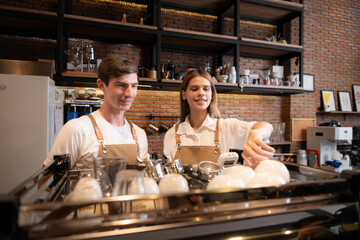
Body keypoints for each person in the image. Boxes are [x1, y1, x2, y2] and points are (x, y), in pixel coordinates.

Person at [43, 57, 148, 169]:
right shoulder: (76, 130)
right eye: (121, 85)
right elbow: (47, 182)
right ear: (101, 85)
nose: (130, 94)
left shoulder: (139, 135)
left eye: (134, 86)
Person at [163, 68, 274, 168]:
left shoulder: (225, 127)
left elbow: (266, 126)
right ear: (184, 94)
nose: (201, 93)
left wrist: (256, 133)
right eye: (194, 89)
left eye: (206, 89)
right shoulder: (171, 134)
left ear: (212, 95)